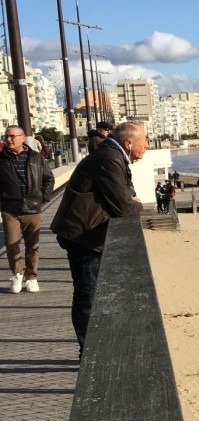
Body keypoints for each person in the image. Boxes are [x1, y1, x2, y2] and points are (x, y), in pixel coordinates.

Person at [50, 121, 146, 353]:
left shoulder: (114, 155)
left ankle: (94, 346)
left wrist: (130, 199)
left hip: (88, 231)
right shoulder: (109, 158)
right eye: (145, 141)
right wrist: (137, 206)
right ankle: (89, 352)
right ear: (129, 142)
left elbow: (127, 190)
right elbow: (124, 206)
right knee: (87, 295)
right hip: (84, 236)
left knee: (93, 293)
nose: (148, 146)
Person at [0, 125, 55, 293]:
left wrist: (43, 197)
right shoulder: (1, 159)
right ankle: (17, 275)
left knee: (33, 245)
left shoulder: (36, 157)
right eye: (6, 136)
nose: (9, 139)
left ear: (22, 138)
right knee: (11, 244)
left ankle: (31, 277)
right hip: (10, 209)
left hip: (32, 208)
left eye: (12, 136)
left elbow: (48, 179)